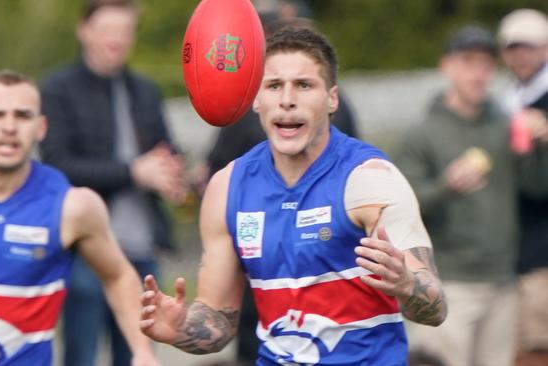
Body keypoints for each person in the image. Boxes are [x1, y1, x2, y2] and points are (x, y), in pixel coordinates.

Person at [140, 27, 447, 365]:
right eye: (274, 86)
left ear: (332, 99)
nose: (287, 99)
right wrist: (182, 327)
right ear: (256, 100)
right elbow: (218, 321)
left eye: (303, 85)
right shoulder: (228, 187)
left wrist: (405, 283)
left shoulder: (368, 180)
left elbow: (435, 306)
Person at [0, 70, 159, 365]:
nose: (9, 127)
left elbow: (119, 276)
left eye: (22, 116)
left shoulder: (74, 205)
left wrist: (142, 351)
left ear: (41, 127)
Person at [39, 0, 185, 364]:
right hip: (85, 248)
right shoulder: (58, 88)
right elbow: (58, 166)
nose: (116, 39)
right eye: (107, 30)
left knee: (138, 353)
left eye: (125, 30)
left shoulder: (146, 90)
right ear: (84, 30)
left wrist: (173, 176)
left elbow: (165, 150)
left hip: (142, 246)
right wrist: (133, 172)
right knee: (82, 354)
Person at [396, 25, 548, 366]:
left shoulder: (505, 126)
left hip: (503, 283)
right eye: (468, 62)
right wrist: (447, 186)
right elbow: (400, 211)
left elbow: (537, 188)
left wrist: (540, 147)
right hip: (450, 284)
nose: (478, 73)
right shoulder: (421, 135)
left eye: (485, 64)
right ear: (445, 66)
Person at [497, 9, 548, 366]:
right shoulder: (507, 103)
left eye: (529, 47)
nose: (521, 56)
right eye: (514, 48)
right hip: (516, 248)